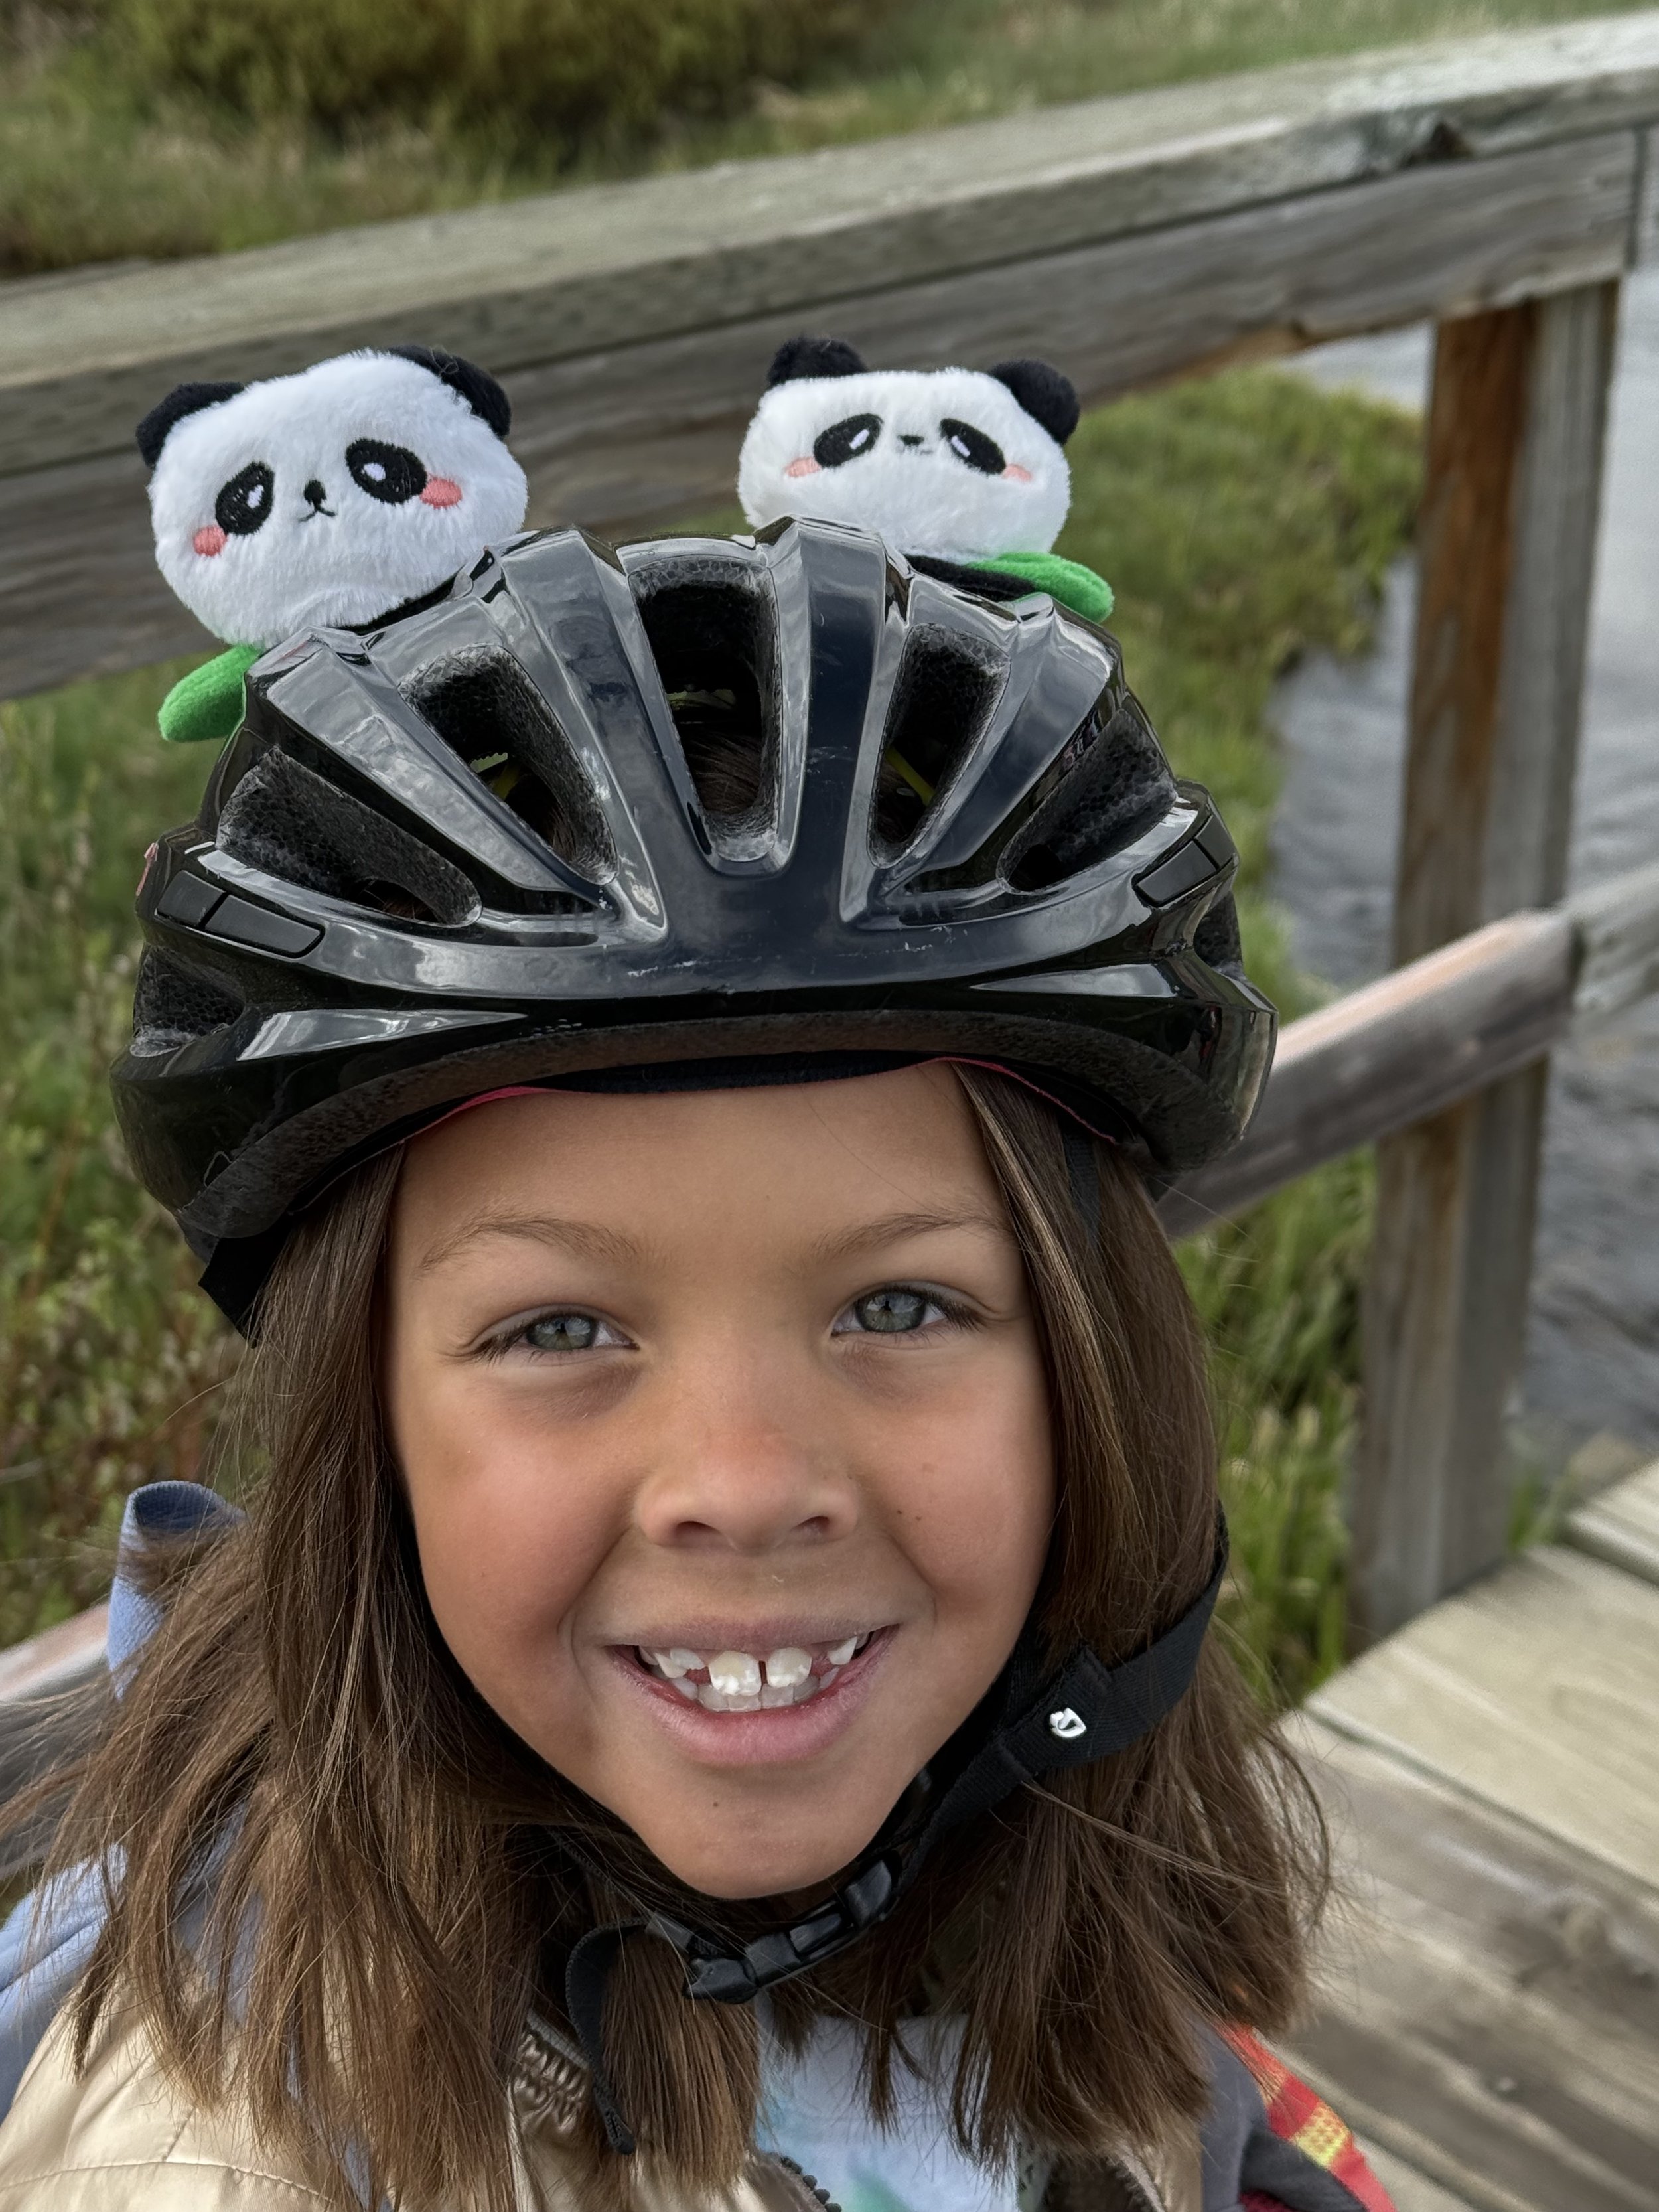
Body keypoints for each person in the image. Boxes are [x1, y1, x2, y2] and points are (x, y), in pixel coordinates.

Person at [0, 522, 1391, 2212]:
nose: (739, 1482)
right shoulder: (211, 2148)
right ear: (367, 1427)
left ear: (1096, 1376)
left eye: (896, 1307)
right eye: (559, 1330)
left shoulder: (1043, 1824)